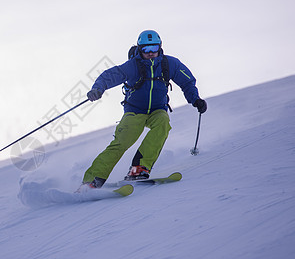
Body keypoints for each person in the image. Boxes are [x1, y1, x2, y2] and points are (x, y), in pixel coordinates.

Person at [79, 30, 207, 190]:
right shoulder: (133, 66)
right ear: (140, 49)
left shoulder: (169, 64)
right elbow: (109, 75)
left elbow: (187, 81)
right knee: (121, 142)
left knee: (163, 123)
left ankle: (138, 169)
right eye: (146, 49)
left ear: (160, 47)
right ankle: (91, 181)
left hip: (157, 110)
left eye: (154, 48)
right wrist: (98, 89)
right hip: (134, 111)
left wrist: (195, 99)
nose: (151, 53)